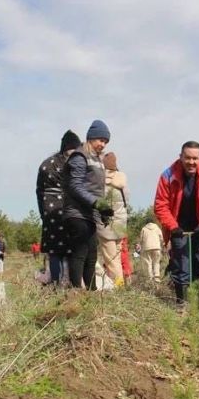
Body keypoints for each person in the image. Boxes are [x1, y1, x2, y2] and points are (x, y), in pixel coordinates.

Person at [154, 141, 199, 303]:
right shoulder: (168, 175)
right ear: (181, 157)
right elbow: (160, 205)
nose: (191, 162)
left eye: (195, 158)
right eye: (187, 158)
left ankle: (195, 297)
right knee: (181, 265)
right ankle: (181, 304)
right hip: (178, 228)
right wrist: (172, 226)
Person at [63, 120, 113, 289]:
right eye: (100, 140)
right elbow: (75, 186)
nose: (103, 144)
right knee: (80, 254)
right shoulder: (80, 156)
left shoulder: (96, 159)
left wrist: (103, 211)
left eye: (105, 142)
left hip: (89, 214)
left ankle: (91, 293)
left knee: (91, 256)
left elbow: (95, 189)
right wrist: (97, 203)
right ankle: (76, 292)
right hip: (76, 213)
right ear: (91, 137)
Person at [37, 130, 81, 284]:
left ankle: (58, 282)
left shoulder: (45, 164)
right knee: (62, 250)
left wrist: (43, 213)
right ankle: (64, 282)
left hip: (52, 210)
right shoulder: (76, 163)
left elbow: (39, 192)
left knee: (58, 250)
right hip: (65, 210)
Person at [96, 152, 129, 287]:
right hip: (121, 223)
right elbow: (126, 201)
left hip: (107, 225)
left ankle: (118, 287)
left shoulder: (103, 182)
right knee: (116, 256)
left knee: (111, 260)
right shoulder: (123, 181)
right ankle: (119, 284)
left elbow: (98, 204)